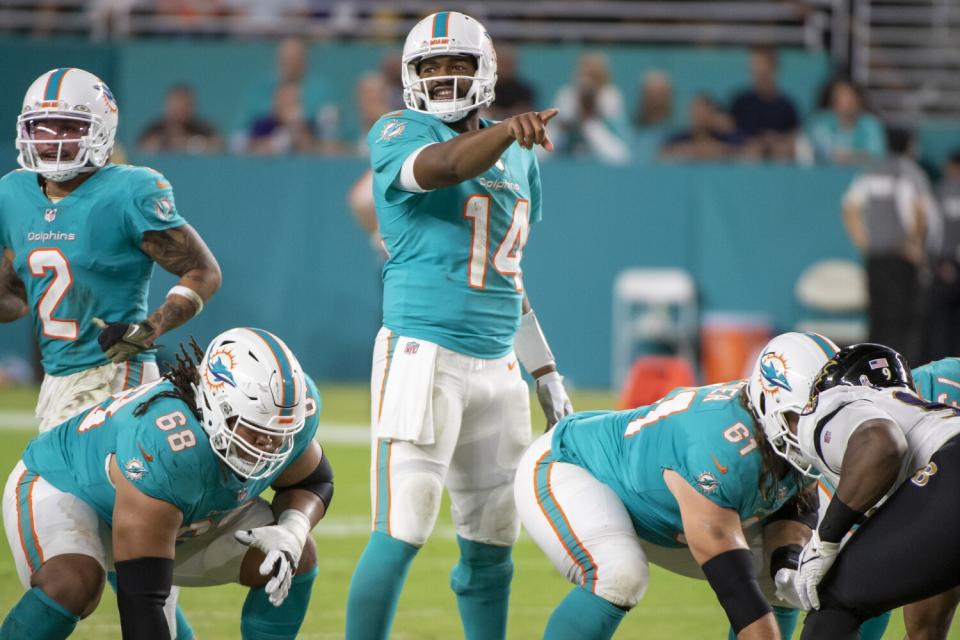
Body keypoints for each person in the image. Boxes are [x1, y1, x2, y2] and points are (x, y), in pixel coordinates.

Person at [344, 11, 573, 640]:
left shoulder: (517, 152)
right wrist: (504, 137)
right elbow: (440, 168)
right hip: (424, 356)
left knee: (493, 542)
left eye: (459, 64)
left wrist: (545, 370)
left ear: (486, 71)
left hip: (499, 367)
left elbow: (510, 273)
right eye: (431, 65)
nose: (445, 76)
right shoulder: (397, 129)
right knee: (402, 530)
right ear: (410, 76)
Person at [0, 67, 222, 640]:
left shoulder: (131, 188)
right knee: (133, 574)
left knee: (130, 566)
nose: (52, 141)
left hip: (121, 381)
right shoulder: (13, 192)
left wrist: (150, 327)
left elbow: (203, 270)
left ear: (100, 129)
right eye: (41, 128)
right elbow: (13, 298)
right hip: (57, 388)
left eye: (67, 127)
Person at [1, 327, 332, 640]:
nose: (269, 447)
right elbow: (142, 600)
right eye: (257, 431)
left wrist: (293, 529)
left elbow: (313, 480)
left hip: (169, 512)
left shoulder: (285, 415)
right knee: (73, 585)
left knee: (294, 556)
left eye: (279, 435)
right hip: (67, 488)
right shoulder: (168, 445)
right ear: (217, 409)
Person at [514, 333, 848, 640]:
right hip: (573, 465)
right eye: (802, 417)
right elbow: (736, 589)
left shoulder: (784, 428)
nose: (813, 432)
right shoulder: (719, 449)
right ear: (771, 405)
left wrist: (786, 561)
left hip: (663, 506)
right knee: (619, 575)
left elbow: (793, 500)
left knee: (785, 584)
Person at [747, 338, 960, 639]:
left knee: (833, 600)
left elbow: (880, 443)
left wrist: (825, 540)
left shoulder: (831, 406)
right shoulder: (919, 411)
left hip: (951, 471)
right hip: (947, 476)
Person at [841, 127, 929, 365]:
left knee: (878, 316)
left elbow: (850, 208)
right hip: (900, 258)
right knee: (902, 319)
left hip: (876, 258)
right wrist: (912, 243)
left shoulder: (870, 173)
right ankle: (901, 370)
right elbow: (919, 212)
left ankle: (874, 367)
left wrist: (865, 243)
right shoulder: (909, 172)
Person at [552, 52, 632, 164]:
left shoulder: (611, 96)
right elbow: (547, 147)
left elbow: (620, 157)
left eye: (594, 75)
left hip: (603, 164)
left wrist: (589, 119)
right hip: (566, 157)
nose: (588, 82)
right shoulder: (567, 95)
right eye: (584, 74)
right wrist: (570, 121)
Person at [729, 46, 799, 161]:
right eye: (754, 65)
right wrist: (750, 143)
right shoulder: (741, 102)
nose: (757, 70)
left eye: (761, 65)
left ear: (773, 68)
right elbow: (729, 131)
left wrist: (777, 140)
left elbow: (795, 135)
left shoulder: (787, 106)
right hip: (745, 160)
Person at [925, 151, 960, 361]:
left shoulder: (939, 192)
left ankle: (939, 362)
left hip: (944, 261)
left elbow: (931, 231)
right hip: (950, 260)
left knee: (939, 319)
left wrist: (936, 261)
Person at [803, 79, 886, 165]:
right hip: (823, 175)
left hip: (861, 176)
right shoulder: (819, 122)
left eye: (850, 97)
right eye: (840, 96)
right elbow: (816, 150)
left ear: (859, 99)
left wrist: (848, 157)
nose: (846, 102)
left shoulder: (870, 123)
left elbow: (877, 156)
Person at [137, 84, 223, 154]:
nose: (181, 107)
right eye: (176, 102)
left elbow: (218, 147)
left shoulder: (203, 128)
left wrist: (192, 144)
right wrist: (166, 143)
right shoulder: (154, 130)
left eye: (186, 103)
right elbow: (143, 150)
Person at [660, 94, 745, 161]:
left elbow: (746, 151)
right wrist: (686, 150)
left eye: (702, 112)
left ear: (712, 113)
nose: (698, 116)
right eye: (695, 111)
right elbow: (661, 155)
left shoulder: (726, 137)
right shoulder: (679, 137)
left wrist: (721, 150)